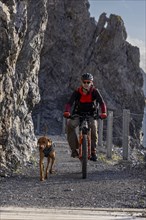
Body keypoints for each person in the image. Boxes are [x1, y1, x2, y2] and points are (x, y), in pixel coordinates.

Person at [63, 73, 107, 161]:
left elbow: (102, 103)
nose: (86, 84)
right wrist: (67, 111)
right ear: (81, 82)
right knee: (70, 125)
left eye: (88, 82)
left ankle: (93, 151)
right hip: (78, 114)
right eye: (84, 82)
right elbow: (69, 103)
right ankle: (74, 149)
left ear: (91, 83)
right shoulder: (77, 92)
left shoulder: (95, 91)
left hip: (91, 115)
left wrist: (104, 112)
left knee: (93, 128)